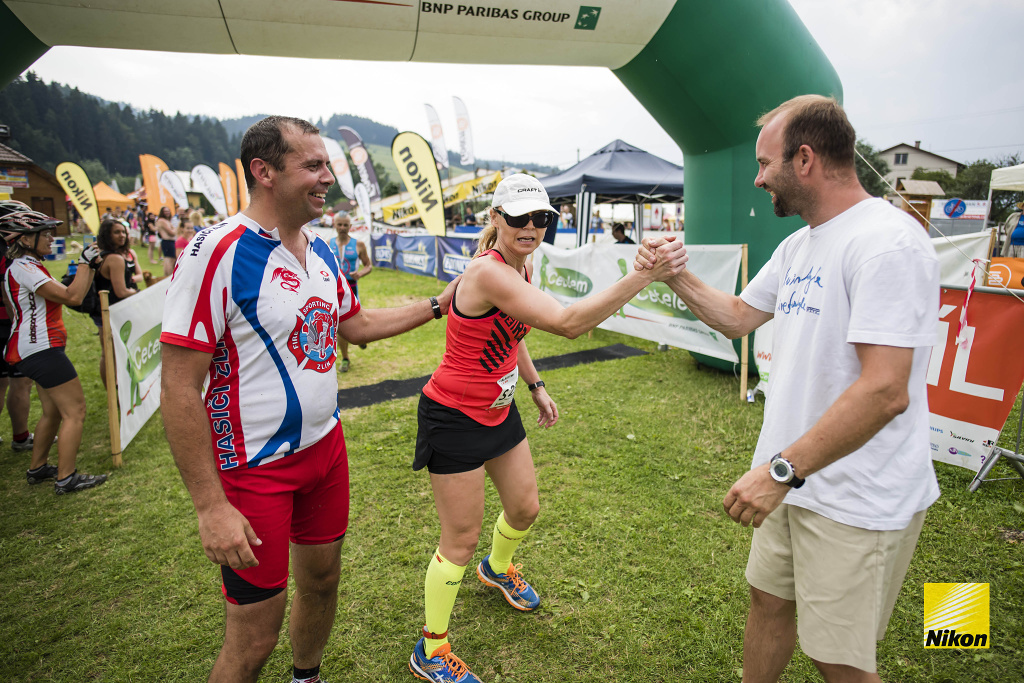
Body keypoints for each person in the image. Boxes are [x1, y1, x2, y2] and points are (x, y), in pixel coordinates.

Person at [636, 95, 940, 683]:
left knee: (837, 657)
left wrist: (779, 471)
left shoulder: (886, 242)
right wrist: (674, 273)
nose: (757, 178)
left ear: (804, 159)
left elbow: (884, 392)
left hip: (854, 497)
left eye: (764, 163)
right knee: (768, 603)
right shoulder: (800, 244)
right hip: (793, 480)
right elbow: (737, 317)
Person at [160, 115, 457, 683]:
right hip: (254, 470)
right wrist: (210, 506)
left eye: (328, 165)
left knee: (322, 583)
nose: (328, 179)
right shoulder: (215, 252)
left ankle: (308, 677)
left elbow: (357, 324)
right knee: (254, 638)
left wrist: (439, 304)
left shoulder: (321, 247)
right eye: (314, 165)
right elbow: (177, 385)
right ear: (264, 171)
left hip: (326, 451)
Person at [408, 173, 687, 682]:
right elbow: (567, 322)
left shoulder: (521, 265)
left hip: (498, 408)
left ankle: (497, 570)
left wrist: (535, 385)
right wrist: (644, 275)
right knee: (460, 540)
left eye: (542, 218)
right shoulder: (490, 272)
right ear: (495, 219)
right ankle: (431, 649)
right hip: (453, 415)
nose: (531, 227)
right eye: (519, 218)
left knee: (524, 508)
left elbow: (513, 332)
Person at [0, 202, 108, 494]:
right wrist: (85, 263)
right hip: (41, 349)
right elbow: (73, 297)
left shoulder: (28, 266)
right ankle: (66, 477)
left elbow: (75, 292)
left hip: (35, 347)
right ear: (24, 239)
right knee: (76, 410)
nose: (51, 238)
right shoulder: (24, 268)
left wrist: (88, 267)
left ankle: (37, 468)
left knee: (53, 412)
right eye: (44, 234)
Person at [0, 205, 36, 452]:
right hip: (8, 323)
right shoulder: (9, 254)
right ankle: (21, 436)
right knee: (20, 382)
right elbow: (7, 294)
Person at [94, 218, 141, 387]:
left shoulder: (101, 255)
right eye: (116, 232)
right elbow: (121, 291)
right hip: (112, 313)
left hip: (105, 312)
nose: (121, 235)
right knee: (111, 354)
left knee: (108, 354)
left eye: (123, 232)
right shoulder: (115, 259)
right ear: (107, 235)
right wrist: (136, 293)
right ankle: (114, 393)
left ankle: (113, 390)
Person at [328, 212, 372, 371]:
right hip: (334, 289)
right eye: (339, 224)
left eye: (345, 225)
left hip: (352, 288)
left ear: (350, 226)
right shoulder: (328, 244)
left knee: (358, 321)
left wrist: (360, 273)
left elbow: (369, 265)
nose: (342, 228)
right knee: (340, 325)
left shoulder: (359, 244)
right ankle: (345, 358)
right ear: (334, 224)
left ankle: (360, 337)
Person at [156, 206, 176, 276]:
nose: (167, 213)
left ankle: (169, 275)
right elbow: (171, 232)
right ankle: (168, 276)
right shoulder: (162, 221)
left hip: (170, 242)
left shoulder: (167, 221)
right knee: (168, 259)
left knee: (172, 259)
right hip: (167, 242)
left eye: (168, 211)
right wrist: (174, 229)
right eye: (165, 211)